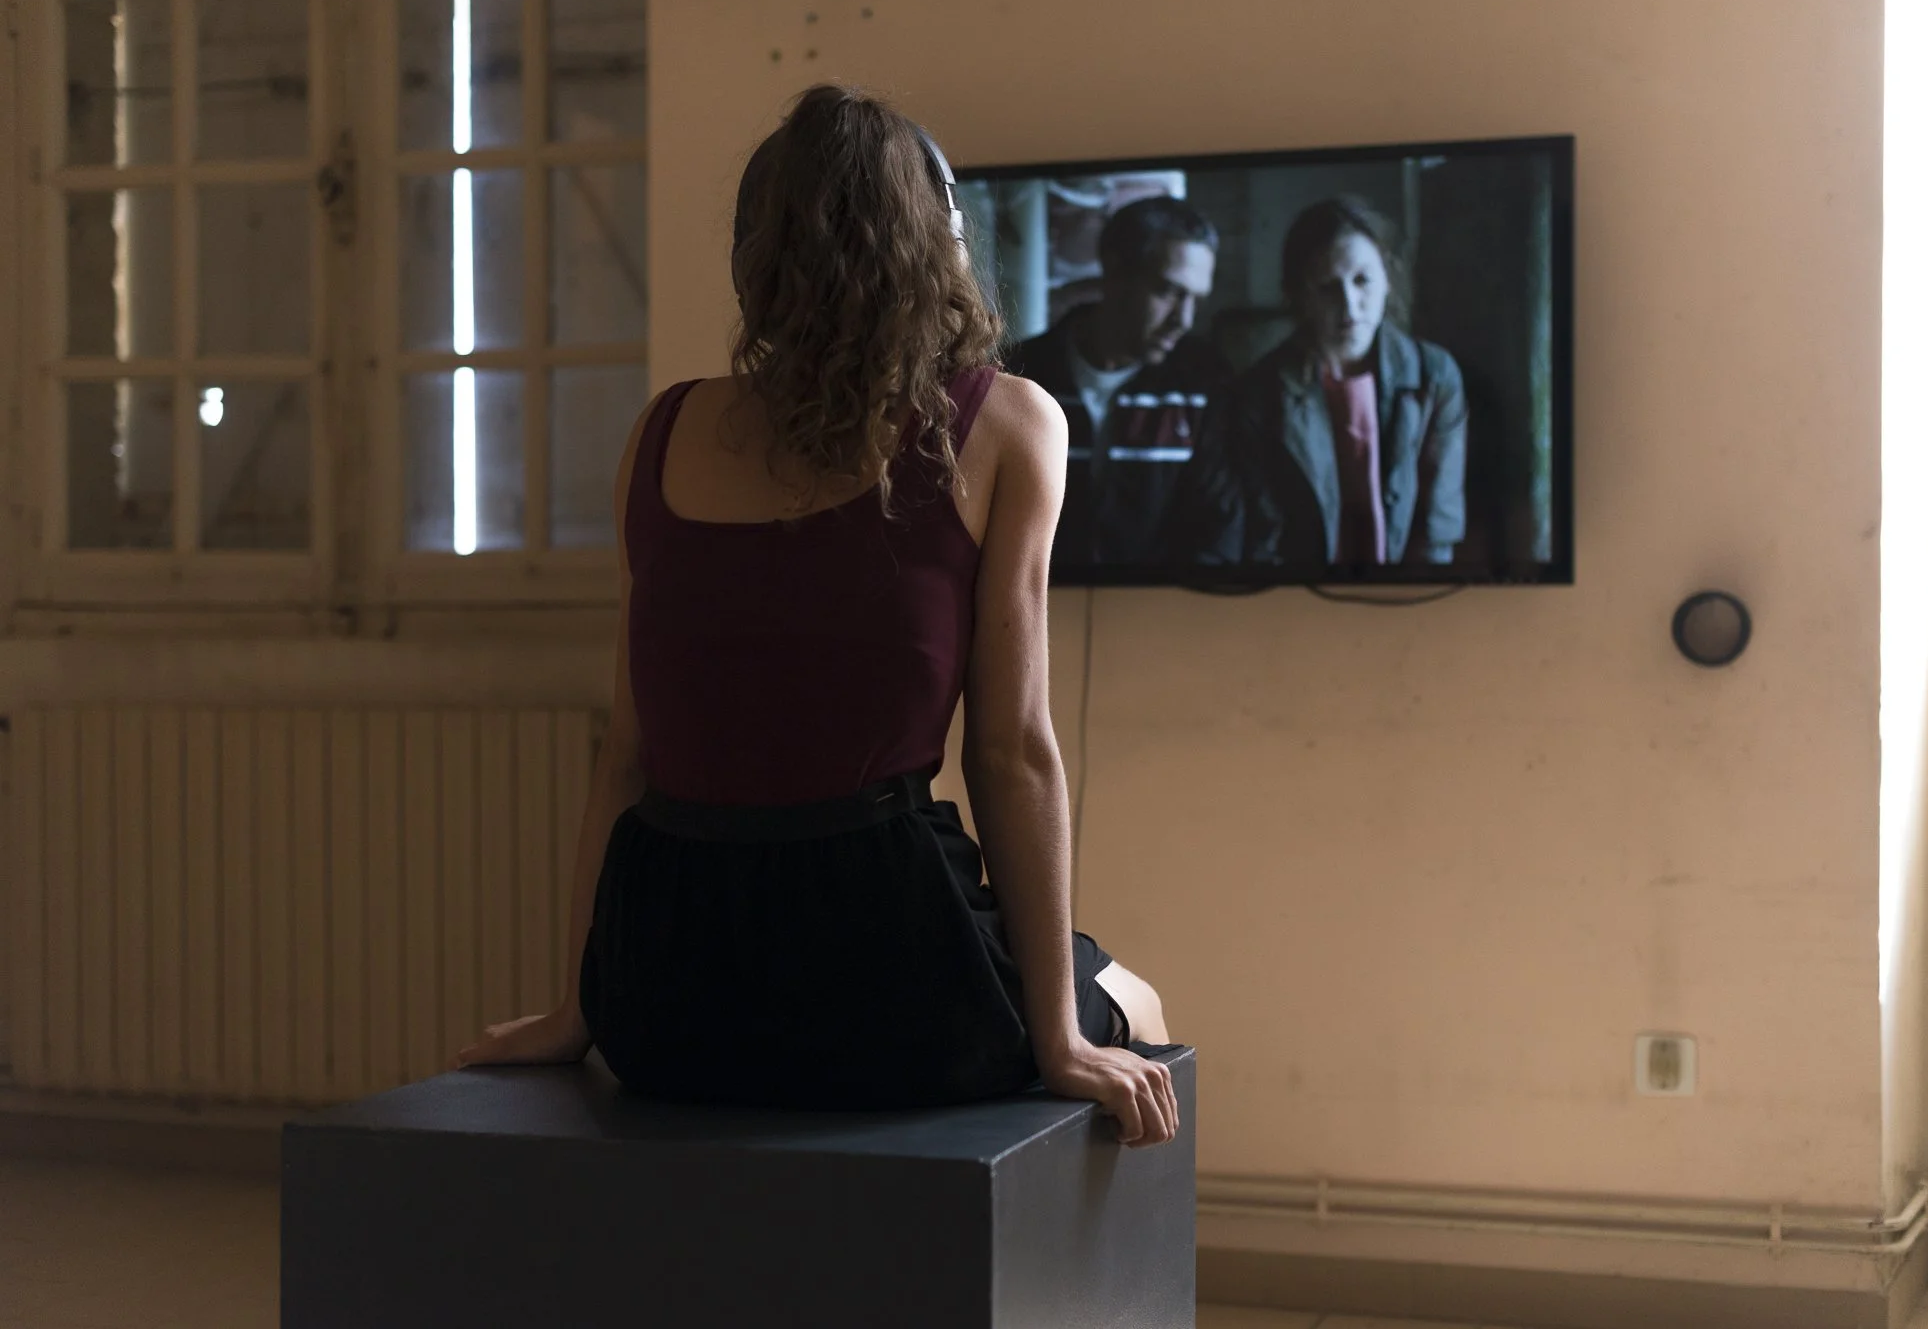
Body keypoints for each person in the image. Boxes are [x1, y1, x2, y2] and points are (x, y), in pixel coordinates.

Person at [451, 85, 1178, 1148]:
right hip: (895, 984)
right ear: (940, 247)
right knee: (1138, 1001)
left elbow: (627, 759)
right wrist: (1061, 1039)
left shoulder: (663, 433)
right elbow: (1010, 754)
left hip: (664, 998)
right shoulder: (1007, 425)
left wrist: (578, 1011)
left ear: (753, 260)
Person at [1178, 196, 1466, 569]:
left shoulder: (1434, 374)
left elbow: (1438, 528)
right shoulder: (1260, 392)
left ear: (1387, 279)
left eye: (1362, 280)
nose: (1349, 306)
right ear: (1300, 296)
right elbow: (1265, 535)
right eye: (1328, 287)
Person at [1006, 196, 1234, 571]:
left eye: (1195, 299)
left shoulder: (1203, 383)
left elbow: (1220, 531)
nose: (1184, 320)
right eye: (1168, 291)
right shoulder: (1019, 375)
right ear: (1114, 271)